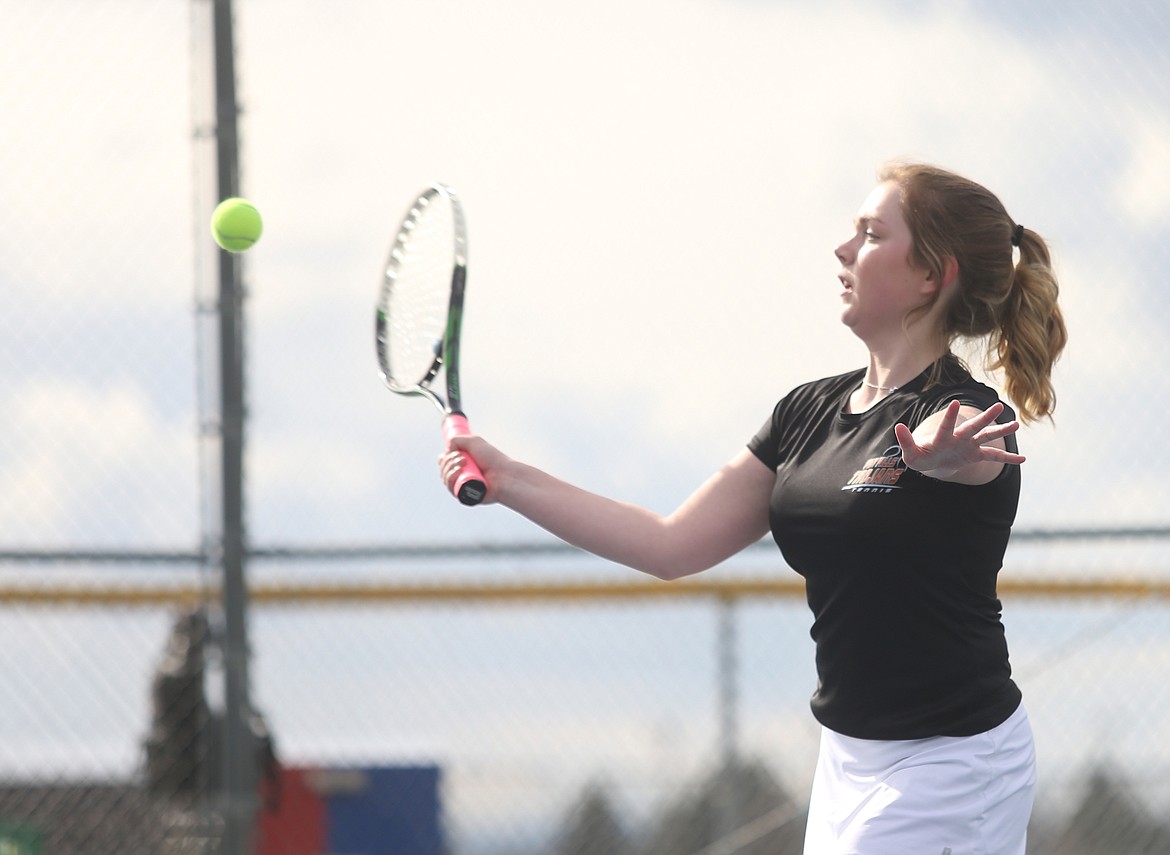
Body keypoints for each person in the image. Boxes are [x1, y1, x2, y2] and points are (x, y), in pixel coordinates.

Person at [439, 162, 1067, 854]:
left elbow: (977, 451)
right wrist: (509, 478)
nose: (841, 250)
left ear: (931, 275)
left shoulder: (965, 416)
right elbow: (670, 543)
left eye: (869, 234)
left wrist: (942, 459)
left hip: (953, 760)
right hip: (847, 758)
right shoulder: (806, 412)